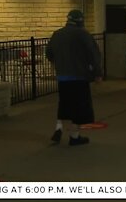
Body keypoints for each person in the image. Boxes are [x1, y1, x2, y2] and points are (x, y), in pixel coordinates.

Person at [46, 9, 102, 146]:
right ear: (81, 21)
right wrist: (97, 73)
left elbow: (49, 52)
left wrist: (57, 63)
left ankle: (58, 127)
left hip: (63, 76)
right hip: (79, 76)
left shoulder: (57, 34)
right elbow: (94, 55)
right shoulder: (83, 35)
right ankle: (74, 136)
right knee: (79, 108)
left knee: (64, 103)